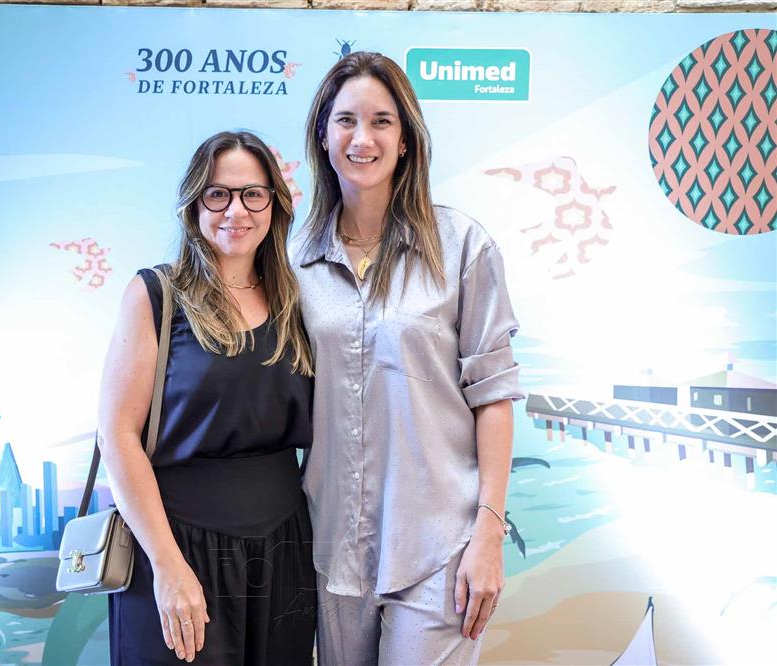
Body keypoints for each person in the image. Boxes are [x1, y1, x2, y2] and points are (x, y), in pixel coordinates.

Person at [292, 51, 524, 665]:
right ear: (323, 136)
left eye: (381, 121)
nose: (362, 138)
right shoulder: (293, 262)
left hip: (440, 549)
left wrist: (488, 535)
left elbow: (494, 396)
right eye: (345, 120)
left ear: (406, 139)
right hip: (330, 550)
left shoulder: (463, 246)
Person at [97, 130, 317, 664]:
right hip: (176, 547)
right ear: (194, 204)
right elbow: (118, 436)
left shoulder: (299, 300)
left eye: (253, 194)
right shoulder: (156, 294)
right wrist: (168, 567)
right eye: (218, 194)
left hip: (285, 552)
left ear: (274, 204)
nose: (236, 211)